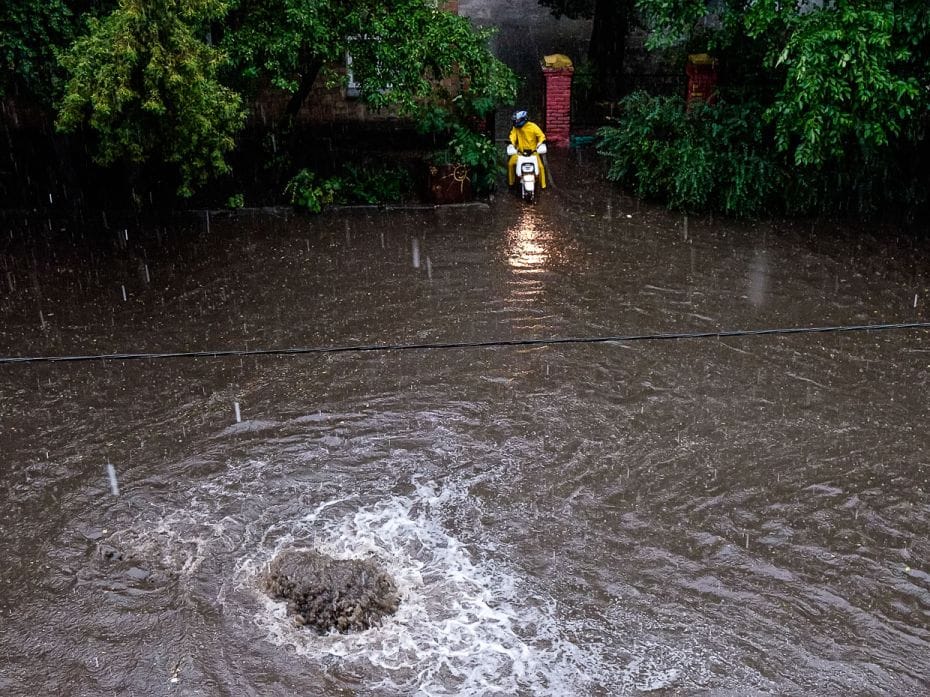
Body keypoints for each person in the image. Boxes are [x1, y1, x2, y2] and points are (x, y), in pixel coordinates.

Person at [507, 110, 547, 189]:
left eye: (517, 120)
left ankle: (543, 185)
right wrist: (511, 143)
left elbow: (541, 136)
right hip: (520, 152)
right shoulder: (516, 128)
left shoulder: (533, 126)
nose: (515, 122)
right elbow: (512, 136)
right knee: (510, 164)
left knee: (541, 167)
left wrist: (540, 143)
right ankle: (511, 183)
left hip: (533, 153)